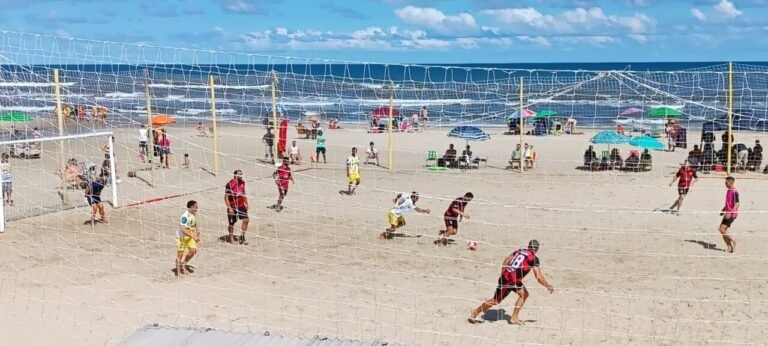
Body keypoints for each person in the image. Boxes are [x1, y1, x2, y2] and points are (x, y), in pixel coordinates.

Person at [468, 240, 554, 325]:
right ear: (537, 250)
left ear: (528, 246)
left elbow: (507, 259)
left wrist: (503, 272)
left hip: (513, 279)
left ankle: (514, 318)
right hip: (509, 281)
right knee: (496, 300)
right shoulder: (534, 258)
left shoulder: (520, 251)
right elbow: (538, 276)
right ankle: (475, 312)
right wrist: (547, 285)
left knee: (524, 294)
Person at [176, 200, 201, 276]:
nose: (197, 208)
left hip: (190, 236)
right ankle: (178, 272)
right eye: (195, 207)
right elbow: (183, 230)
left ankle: (184, 264)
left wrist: (197, 231)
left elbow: (195, 223)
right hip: (181, 237)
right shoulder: (184, 216)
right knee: (180, 254)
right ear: (191, 207)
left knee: (193, 251)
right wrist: (193, 236)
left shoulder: (193, 214)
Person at [224, 169, 249, 245]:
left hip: (241, 205)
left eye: (242, 174)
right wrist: (229, 208)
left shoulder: (243, 183)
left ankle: (242, 236)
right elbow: (226, 197)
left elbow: (243, 193)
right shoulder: (230, 184)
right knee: (231, 223)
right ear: (235, 175)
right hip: (233, 206)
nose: (241, 176)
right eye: (239, 174)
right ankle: (231, 238)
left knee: (246, 220)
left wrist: (246, 202)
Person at [719, 177, 739, 253]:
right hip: (727, 212)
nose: (725, 184)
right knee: (722, 230)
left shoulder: (734, 192)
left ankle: (733, 241)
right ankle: (730, 247)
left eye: (726, 182)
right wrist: (723, 209)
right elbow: (728, 203)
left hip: (731, 214)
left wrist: (730, 213)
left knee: (722, 229)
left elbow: (737, 204)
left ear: (731, 183)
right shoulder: (728, 191)